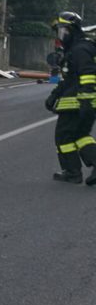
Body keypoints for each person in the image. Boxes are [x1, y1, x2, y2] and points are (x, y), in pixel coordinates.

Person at [46, 11, 96, 184]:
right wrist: (54, 95)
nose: (61, 36)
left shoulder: (81, 49)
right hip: (81, 102)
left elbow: (88, 75)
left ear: (71, 30)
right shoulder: (78, 48)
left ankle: (72, 172)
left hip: (78, 102)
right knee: (80, 135)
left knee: (64, 137)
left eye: (62, 31)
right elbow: (70, 79)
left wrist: (86, 101)